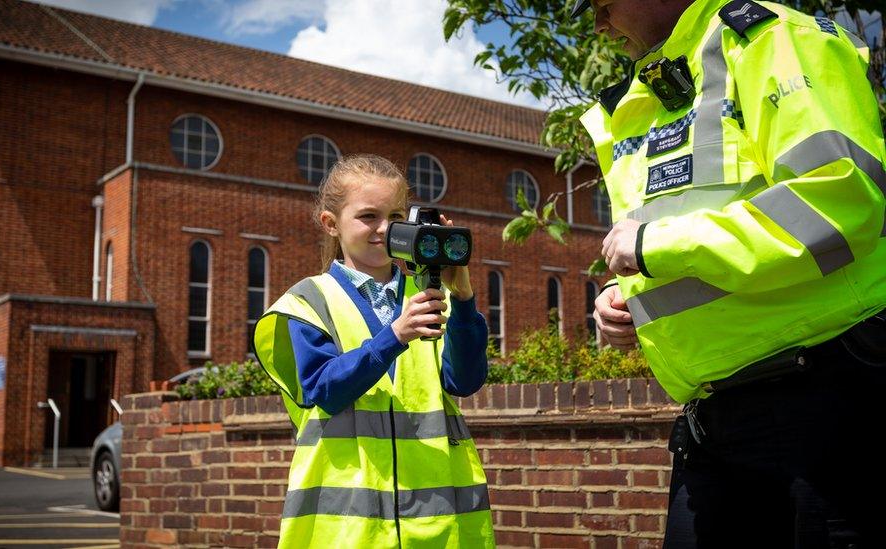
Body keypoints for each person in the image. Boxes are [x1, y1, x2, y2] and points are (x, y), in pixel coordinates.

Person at [572, 0, 886, 545]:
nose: (597, 21)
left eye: (601, 3)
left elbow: (841, 201)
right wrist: (629, 300)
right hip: (716, 422)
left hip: (827, 408)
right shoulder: (657, 90)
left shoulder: (772, 39)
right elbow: (685, 230)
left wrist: (654, 248)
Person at [253, 154, 495, 548]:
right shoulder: (308, 301)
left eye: (395, 216)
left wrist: (464, 296)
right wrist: (394, 335)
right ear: (331, 224)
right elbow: (324, 389)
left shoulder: (430, 295)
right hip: (348, 529)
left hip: (436, 522)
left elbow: (465, 381)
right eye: (368, 216)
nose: (384, 229)